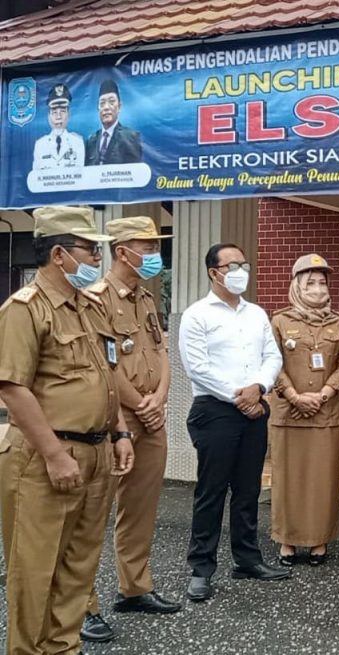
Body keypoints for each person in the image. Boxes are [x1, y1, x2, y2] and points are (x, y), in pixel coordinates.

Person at [0, 205, 135, 655]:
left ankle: (63, 647)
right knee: (36, 568)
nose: (97, 260)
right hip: (47, 455)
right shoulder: (24, 309)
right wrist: (55, 454)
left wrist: (119, 433)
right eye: (90, 252)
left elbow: (104, 374)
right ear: (60, 255)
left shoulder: (89, 306)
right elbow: (13, 389)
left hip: (96, 452)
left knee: (79, 563)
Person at [81, 216, 179, 643]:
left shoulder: (144, 297)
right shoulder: (95, 299)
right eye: (149, 247)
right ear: (123, 252)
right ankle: (81, 606)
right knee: (91, 513)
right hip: (112, 418)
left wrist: (157, 399)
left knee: (140, 509)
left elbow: (161, 351)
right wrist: (137, 402)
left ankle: (133, 587)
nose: (156, 256)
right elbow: (102, 363)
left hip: (149, 415)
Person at [178, 243, 288, 602]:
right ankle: (201, 568)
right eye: (232, 265)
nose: (241, 270)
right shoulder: (196, 315)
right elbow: (198, 367)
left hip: (254, 408)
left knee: (248, 489)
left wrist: (259, 388)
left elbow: (272, 356)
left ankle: (247, 559)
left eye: (245, 263)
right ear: (214, 272)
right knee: (211, 492)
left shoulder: (256, 313)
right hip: (215, 410)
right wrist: (240, 396)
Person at [269, 254, 339, 567]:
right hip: (288, 414)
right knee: (288, 477)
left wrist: (323, 393)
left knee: (322, 478)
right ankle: (287, 540)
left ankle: (319, 540)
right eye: (311, 283)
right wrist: (293, 395)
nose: (318, 289)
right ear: (297, 286)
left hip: (327, 414)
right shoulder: (279, 321)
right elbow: (272, 362)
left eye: (322, 282)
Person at [85, 79, 142, 165]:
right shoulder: (91, 141)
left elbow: (134, 173)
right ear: (98, 108)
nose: (106, 107)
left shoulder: (130, 137)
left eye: (111, 102)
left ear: (119, 107)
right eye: (102, 103)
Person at [33, 83, 85, 169]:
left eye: (63, 111)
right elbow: (36, 178)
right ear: (48, 116)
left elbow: (81, 176)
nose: (58, 117)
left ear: (69, 114)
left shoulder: (77, 142)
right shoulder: (40, 145)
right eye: (54, 112)